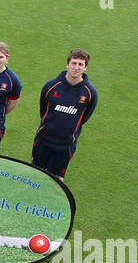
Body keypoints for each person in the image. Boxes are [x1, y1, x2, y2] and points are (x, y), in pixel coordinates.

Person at [32, 49, 97, 177]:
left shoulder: (90, 93)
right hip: (43, 140)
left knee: (57, 180)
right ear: (67, 64)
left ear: (86, 67)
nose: (76, 68)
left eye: (80, 64)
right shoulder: (51, 86)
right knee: (35, 175)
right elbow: (43, 110)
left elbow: (85, 117)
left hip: (65, 145)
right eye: (73, 63)